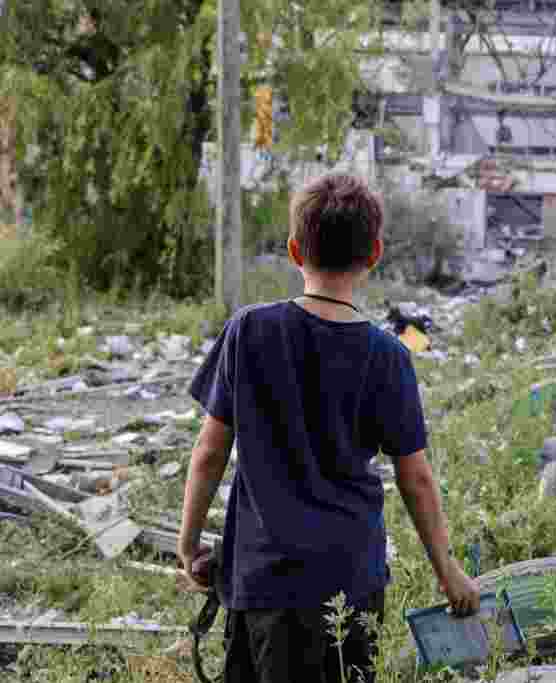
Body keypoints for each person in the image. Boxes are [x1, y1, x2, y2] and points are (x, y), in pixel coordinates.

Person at [176, 173, 480, 683]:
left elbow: (209, 452)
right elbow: (416, 479)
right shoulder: (388, 357)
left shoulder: (249, 330)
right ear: (374, 254)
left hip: (263, 581)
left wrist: (189, 546)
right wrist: (446, 571)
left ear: (296, 250)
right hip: (349, 582)